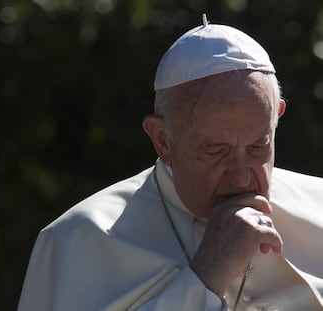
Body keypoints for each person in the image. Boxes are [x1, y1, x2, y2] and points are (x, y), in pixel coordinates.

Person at [18, 16, 323, 311]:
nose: (242, 178)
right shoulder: (80, 239)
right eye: (217, 151)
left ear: (277, 117)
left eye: (259, 146)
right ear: (163, 140)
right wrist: (207, 273)